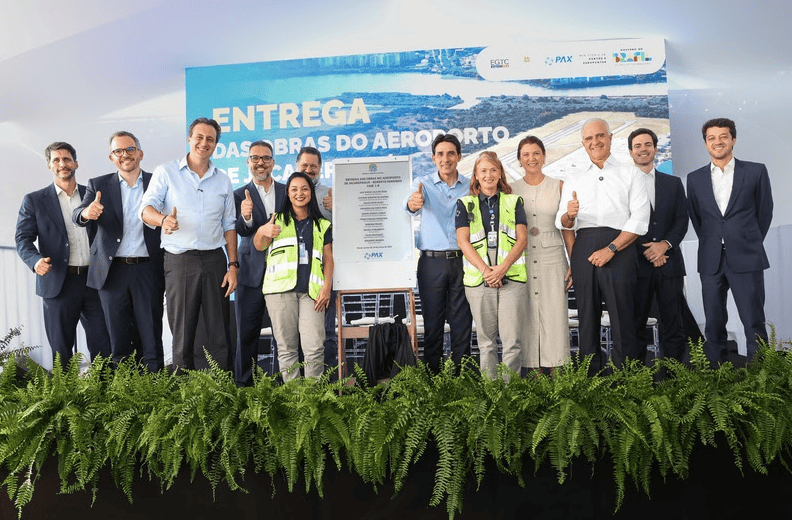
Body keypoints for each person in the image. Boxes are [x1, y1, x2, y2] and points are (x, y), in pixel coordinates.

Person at [140, 117, 238, 371]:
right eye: (199, 137)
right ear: (189, 138)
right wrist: (163, 220)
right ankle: (185, 398)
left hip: (215, 260)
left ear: (216, 144)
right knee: (183, 330)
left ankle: (220, 391)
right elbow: (145, 209)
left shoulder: (223, 179)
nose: (204, 143)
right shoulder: (166, 172)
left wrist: (233, 266)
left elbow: (229, 225)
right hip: (180, 260)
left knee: (218, 330)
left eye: (210, 139)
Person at [555, 118, 650, 375]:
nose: (594, 142)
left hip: (620, 248)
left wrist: (611, 248)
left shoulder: (631, 173)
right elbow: (562, 223)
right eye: (588, 139)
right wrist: (570, 216)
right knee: (587, 319)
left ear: (610, 138)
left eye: (600, 136)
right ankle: (591, 382)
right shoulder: (573, 177)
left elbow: (640, 220)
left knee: (623, 319)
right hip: (583, 248)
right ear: (583, 144)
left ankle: (626, 380)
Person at [73, 131, 165, 372]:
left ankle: (156, 391)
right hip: (112, 272)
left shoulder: (158, 181)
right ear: (112, 157)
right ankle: (123, 395)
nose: (125, 155)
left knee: (151, 335)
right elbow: (78, 214)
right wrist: (87, 213)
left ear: (140, 153)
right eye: (118, 151)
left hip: (148, 269)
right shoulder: (98, 185)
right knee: (117, 338)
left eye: (130, 149)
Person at [15, 142, 110, 369]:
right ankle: (68, 400)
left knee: (104, 346)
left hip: (94, 282)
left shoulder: (94, 196)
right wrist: (35, 261)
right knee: (61, 350)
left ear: (75, 163)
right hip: (58, 282)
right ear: (49, 166)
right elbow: (23, 240)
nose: (62, 164)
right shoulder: (35, 200)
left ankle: (103, 398)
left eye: (66, 159)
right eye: (56, 160)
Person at [686, 117, 773, 366]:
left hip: (747, 257)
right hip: (711, 260)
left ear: (733, 139)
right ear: (705, 144)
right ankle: (718, 377)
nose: (718, 142)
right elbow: (697, 217)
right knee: (713, 324)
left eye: (723, 136)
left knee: (753, 321)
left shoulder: (756, 171)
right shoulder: (694, 179)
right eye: (711, 138)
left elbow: (764, 212)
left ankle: (761, 379)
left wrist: (747, 240)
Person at [254, 171, 333, 380]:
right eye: (294, 189)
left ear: (311, 193)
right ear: (287, 194)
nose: (300, 193)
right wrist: (263, 231)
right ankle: (294, 401)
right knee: (287, 350)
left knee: (314, 348)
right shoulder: (275, 220)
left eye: (305, 189)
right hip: (279, 293)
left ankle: (312, 402)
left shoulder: (322, 224)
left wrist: (326, 287)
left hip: (312, 293)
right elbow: (259, 245)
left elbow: (328, 258)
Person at [456, 151, 527, 379]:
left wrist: (502, 269)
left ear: (500, 173)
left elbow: (522, 239)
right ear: (476, 175)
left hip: (511, 279)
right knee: (486, 342)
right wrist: (487, 272)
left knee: (512, 342)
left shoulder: (514, 201)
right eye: (483, 170)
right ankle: (491, 396)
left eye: (493, 170)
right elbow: (463, 241)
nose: (488, 175)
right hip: (479, 281)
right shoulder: (464, 204)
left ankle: (510, 394)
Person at [407, 133, 473, 373]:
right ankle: (433, 381)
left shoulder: (470, 185)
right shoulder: (422, 183)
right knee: (433, 326)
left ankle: (461, 379)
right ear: (434, 158)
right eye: (441, 154)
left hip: (463, 263)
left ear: (458, 156)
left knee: (461, 324)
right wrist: (413, 203)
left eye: (451, 154)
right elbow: (410, 204)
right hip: (431, 264)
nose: (446, 159)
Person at [509, 136, 574, 371]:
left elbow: (567, 228)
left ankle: (558, 377)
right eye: (525, 154)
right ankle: (533, 379)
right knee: (526, 318)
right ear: (518, 159)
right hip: (522, 261)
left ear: (544, 156)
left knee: (555, 318)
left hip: (553, 260)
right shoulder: (511, 189)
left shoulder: (559, 185)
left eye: (536, 153)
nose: (531, 158)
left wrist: (573, 262)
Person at [627, 128, 689, 363]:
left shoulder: (673, 183)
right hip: (636, 266)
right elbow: (621, 223)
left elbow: (682, 219)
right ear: (631, 152)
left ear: (655, 148)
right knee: (636, 326)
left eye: (647, 144)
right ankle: (639, 383)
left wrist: (664, 246)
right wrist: (649, 251)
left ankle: (675, 380)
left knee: (673, 324)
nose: (643, 149)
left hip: (669, 264)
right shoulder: (623, 184)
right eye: (638, 146)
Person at [233, 140, 285, 386]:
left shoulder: (288, 191)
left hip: (285, 275)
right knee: (247, 335)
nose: (260, 162)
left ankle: (285, 387)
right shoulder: (237, 195)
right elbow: (240, 232)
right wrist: (246, 215)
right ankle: (244, 389)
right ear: (248, 162)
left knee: (285, 337)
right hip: (250, 274)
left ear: (273, 162)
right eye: (255, 158)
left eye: (265, 158)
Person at [296, 147, 337, 373]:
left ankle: (328, 383)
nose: (309, 170)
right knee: (295, 335)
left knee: (326, 332)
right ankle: (298, 386)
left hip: (324, 273)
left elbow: (339, 233)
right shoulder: (287, 193)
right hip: (296, 276)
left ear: (320, 168)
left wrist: (336, 210)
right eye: (305, 165)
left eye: (314, 166)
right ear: (297, 166)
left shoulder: (331, 194)